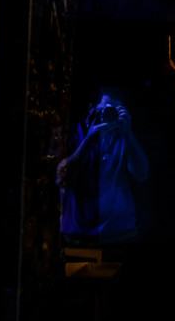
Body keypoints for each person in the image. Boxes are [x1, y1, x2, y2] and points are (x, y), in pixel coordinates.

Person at [56, 87, 149, 246]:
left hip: (120, 232)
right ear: (91, 108)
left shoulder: (123, 134)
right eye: (104, 110)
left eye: (114, 111)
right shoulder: (70, 133)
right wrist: (90, 138)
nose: (108, 115)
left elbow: (141, 175)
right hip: (78, 235)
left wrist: (128, 133)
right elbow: (63, 177)